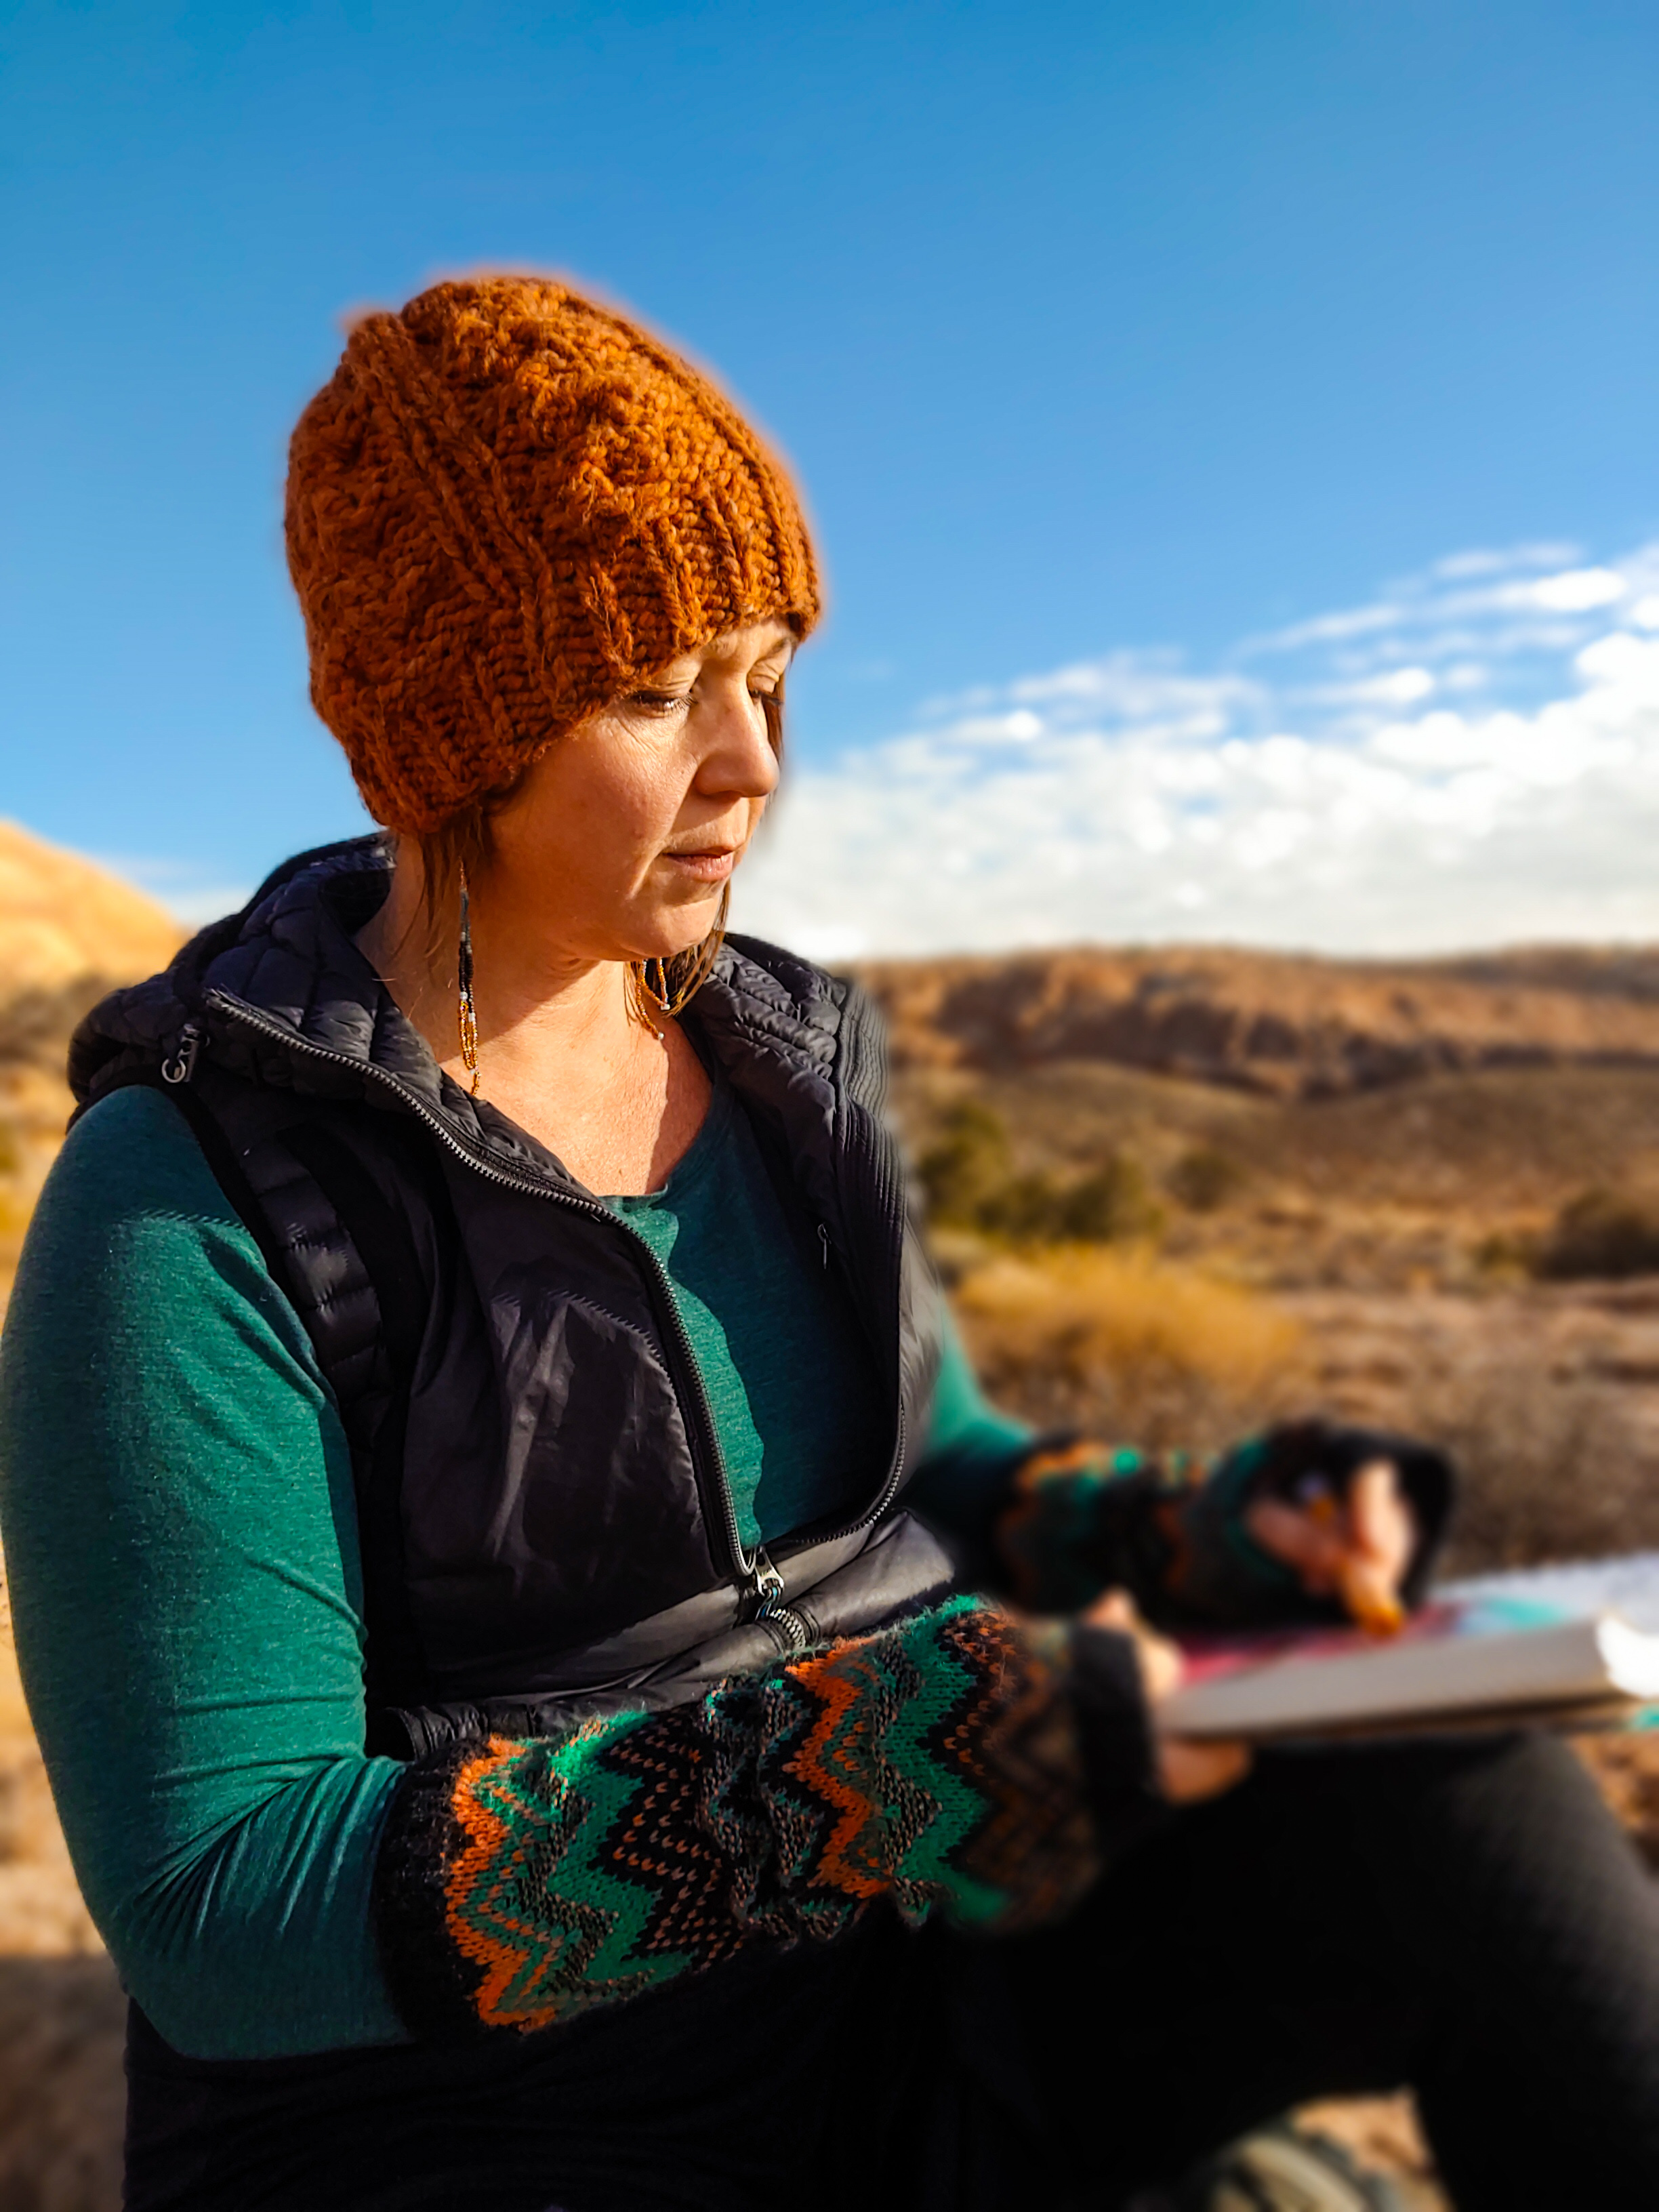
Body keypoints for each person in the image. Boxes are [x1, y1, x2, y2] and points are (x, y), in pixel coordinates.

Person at [0, 276, 1655, 2212]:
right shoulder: (187, 1197)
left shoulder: (775, 1075)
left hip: (932, 2001)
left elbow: (942, 1474)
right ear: (457, 729)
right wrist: (873, 1773)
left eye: (767, 666)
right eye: (653, 691)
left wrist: (1207, 1532)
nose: (754, 760)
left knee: (1459, 1790)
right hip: (517, 2130)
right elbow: (230, 1901)